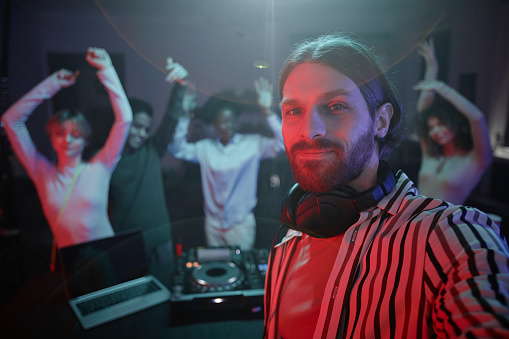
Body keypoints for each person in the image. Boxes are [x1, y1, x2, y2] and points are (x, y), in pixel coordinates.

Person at [264, 33, 509, 338]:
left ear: (381, 121)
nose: (309, 131)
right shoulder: (288, 242)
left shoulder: (456, 239)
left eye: (336, 106)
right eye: (294, 111)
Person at [1, 48, 132, 258]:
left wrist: (106, 69)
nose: (68, 139)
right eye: (61, 133)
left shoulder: (100, 166)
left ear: (86, 140)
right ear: (51, 138)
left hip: (107, 259)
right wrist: (52, 84)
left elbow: (124, 120)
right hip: (71, 267)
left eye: (76, 134)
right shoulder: (42, 173)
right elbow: (10, 121)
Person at [169, 71, 285, 250]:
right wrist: (184, 113)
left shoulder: (252, 143)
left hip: (241, 224)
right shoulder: (205, 148)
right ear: (214, 125)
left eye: (232, 121)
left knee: (242, 272)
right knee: (217, 273)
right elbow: (176, 149)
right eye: (223, 122)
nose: (229, 126)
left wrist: (267, 111)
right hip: (213, 225)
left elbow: (283, 143)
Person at [108, 57, 188, 265]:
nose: (141, 134)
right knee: (134, 294)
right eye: (136, 126)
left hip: (161, 240)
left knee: (166, 291)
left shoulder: (152, 149)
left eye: (146, 129)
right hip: (128, 244)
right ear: (124, 124)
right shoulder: (108, 160)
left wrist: (181, 84)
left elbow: (171, 116)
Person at [414, 39, 493, 205]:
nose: (436, 130)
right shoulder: (431, 153)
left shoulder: (476, 160)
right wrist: (431, 68)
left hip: (446, 227)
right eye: (432, 127)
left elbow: (477, 118)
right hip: (416, 222)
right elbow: (423, 111)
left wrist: (441, 88)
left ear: (454, 125)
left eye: (441, 124)